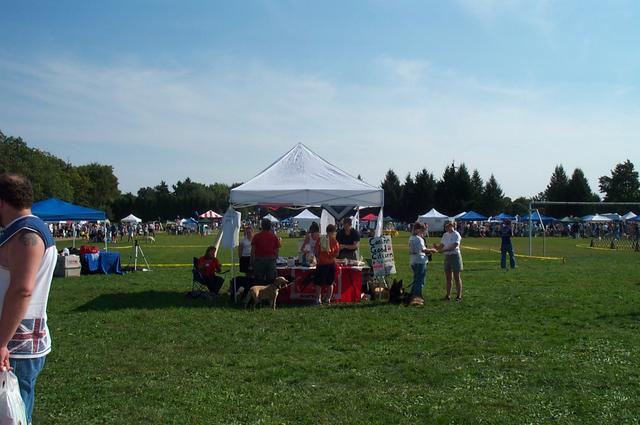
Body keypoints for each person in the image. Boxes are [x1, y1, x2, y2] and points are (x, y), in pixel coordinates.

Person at [0, 173, 57, 425]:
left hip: (15, 347)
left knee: (14, 416)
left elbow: (22, 289)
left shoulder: (27, 234)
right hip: (15, 343)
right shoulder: (21, 231)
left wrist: (1, 343)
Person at [408, 222, 438, 305]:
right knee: (420, 281)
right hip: (420, 261)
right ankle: (416, 297)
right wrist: (432, 250)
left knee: (416, 279)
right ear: (419, 230)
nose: (423, 232)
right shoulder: (418, 238)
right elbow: (424, 250)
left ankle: (413, 295)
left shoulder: (411, 237)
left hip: (414, 260)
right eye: (422, 230)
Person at [434, 221, 463, 301]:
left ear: (452, 226)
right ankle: (448, 295)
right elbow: (442, 245)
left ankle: (459, 296)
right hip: (447, 257)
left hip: (455, 256)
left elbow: (454, 246)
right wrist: (436, 247)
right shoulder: (445, 235)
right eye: (445, 226)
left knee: (457, 277)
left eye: (447, 226)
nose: (445, 227)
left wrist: (443, 250)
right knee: (448, 278)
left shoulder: (456, 234)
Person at [314, 224, 340, 305]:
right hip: (331, 264)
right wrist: (331, 256)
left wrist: (318, 257)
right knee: (330, 283)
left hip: (321, 264)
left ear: (326, 231)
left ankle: (318, 299)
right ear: (333, 232)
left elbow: (316, 251)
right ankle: (328, 299)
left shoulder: (320, 239)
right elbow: (337, 253)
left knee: (319, 283)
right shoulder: (335, 241)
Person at [251, 218, 281, 283]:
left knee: (259, 280)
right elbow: (277, 249)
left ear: (262, 226)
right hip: (271, 260)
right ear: (270, 226)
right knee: (271, 280)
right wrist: (275, 258)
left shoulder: (256, 236)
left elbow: (253, 250)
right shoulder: (274, 236)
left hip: (259, 260)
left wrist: (251, 261)